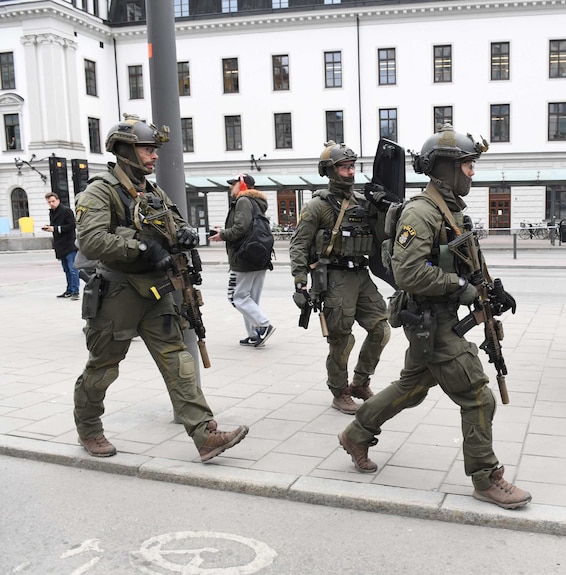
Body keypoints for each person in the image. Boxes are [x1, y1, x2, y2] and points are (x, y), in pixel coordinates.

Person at [337, 124, 530, 510]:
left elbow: (461, 261)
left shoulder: (448, 210)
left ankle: (356, 433)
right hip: (432, 321)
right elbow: (408, 273)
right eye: (469, 166)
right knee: (478, 397)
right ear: (448, 169)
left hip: (436, 317)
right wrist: (461, 289)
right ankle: (485, 476)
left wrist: (489, 289)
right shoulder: (422, 212)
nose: (473, 173)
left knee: (412, 387)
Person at [73, 114, 248, 461]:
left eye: (154, 149)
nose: (154, 156)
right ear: (125, 150)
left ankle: (204, 434)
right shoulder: (101, 190)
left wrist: (183, 234)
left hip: (157, 292)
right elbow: (90, 240)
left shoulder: (152, 191)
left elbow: (175, 221)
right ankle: (89, 429)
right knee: (103, 368)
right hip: (118, 296)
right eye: (147, 149)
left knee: (178, 362)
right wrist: (140, 248)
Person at [290, 141, 391, 414]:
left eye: (352, 166)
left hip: (361, 274)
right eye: (344, 167)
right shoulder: (317, 206)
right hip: (334, 278)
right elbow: (298, 245)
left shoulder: (362, 202)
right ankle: (339, 391)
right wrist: (300, 283)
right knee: (341, 338)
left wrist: (382, 210)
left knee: (381, 329)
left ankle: (360, 382)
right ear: (330, 171)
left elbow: (381, 238)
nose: (350, 172)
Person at [210, 173, 275, 348]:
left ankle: (263, 325)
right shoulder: (256, 203)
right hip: (258, 256)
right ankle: (254, 334)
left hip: (244, 258)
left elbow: (240, 228)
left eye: (234, 184)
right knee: (251, 299)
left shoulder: (243, 201)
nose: (231, 187)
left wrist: (222, 234)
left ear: (243, 185)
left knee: (236, 297)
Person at [43, 192, 80, 300]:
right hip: (60, 245)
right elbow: (55, 226)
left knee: (73, 269)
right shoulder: (52, 212)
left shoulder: (66, 211)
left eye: (53, 201)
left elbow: (72, 225)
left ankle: (75, 291)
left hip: (69, 244)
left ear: (58, 200)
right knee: (66, 269)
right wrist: (49, 227)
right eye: (49, 202)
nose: (51, 204)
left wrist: (55, 228)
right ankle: (69, 290)